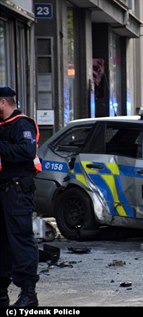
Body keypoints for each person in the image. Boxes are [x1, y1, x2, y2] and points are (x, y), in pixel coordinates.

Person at [0, 86, 41, 307]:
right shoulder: (2, 126)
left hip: (17, 191)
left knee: (21, 240)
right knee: (2, 243)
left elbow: (27, 152)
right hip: (3, 190)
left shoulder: (21, 123)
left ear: (3, 103)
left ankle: (28, 294)